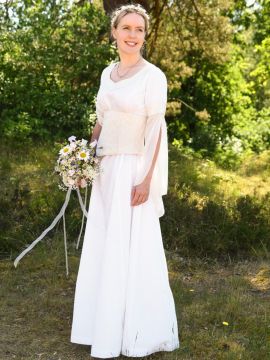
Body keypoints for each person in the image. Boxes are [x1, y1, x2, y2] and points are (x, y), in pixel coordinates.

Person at [70, 3, 180, 358]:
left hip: (134, 168)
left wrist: (147, 179)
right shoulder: (107, 74)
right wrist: (82, 161)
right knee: (105, 244)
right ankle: (100, 327)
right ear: (114, 33)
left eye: (139, 30)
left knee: (132, 246)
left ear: (144, 37)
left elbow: (156, 129)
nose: (133, 35)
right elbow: (101, 121)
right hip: (105, 170)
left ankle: (137, 332)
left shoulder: (153, 76)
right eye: (127, 29)